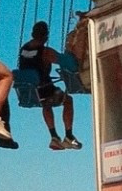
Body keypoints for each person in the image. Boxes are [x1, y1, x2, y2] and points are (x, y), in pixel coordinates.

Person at [17, 20, 83, 149]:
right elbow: (68, 63)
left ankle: (54, 136)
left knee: (46, 104)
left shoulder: (24, 49)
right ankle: (69, 135)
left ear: (32, 34)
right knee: (68, 100)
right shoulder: (45, 52)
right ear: (46, 36)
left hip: (32, 90)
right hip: (44, 87)